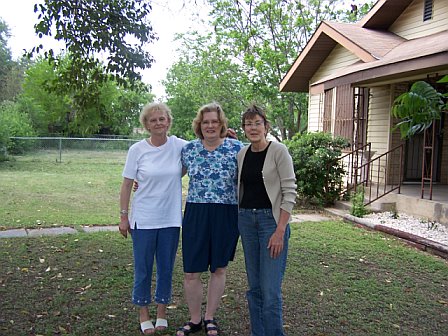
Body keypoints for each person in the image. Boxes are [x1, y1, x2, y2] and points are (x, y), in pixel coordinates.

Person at [119, 102, 187, 334]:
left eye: (162, 118)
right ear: (146, 125)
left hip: (170, 219)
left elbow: (204, 150)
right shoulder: (137, 150)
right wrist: (123, 216)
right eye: (153, 120)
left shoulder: (180, 146)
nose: (158, 123)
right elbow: (127, 184)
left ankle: (161, 312)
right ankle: (143, 313)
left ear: (168, 121)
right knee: (144, 269)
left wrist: (225, 136)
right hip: (143, 220)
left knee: (166, 268)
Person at [176, 102, 244, 336]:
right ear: (199, 125)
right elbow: (169, 174)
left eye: (215, 121)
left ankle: (210, 317)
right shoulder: (189, 150)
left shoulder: (236, 148)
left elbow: (255, 174)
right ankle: (195, 319)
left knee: (219, 269)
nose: (210, 125)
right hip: (196, 212)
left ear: (222, 124)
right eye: (206, 122)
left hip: (225, 213)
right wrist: (140, 181)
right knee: (191, 272)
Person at [237, 104, 297, 336]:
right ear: (243, 129)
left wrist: (280, 230)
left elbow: (289, 191)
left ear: (266, 126)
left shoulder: (279, 151)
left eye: (257, 123)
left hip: (271, 223)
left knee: (270, 290)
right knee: (254, 288)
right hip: (246, 222)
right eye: (248, 124)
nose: (253, 128)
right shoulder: (242, 154)